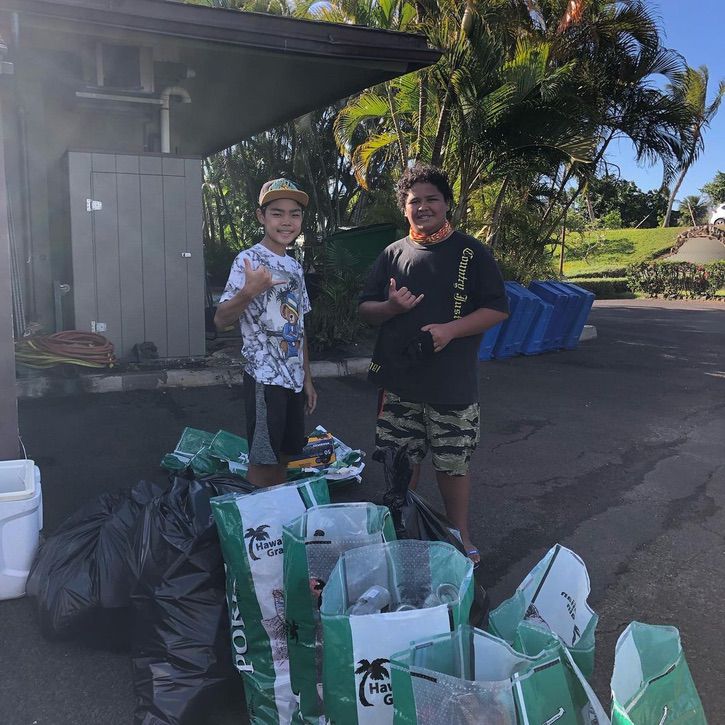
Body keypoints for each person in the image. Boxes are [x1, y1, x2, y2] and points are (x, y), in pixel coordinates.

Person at [359, 164, 509, 567]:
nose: (422, 207)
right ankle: (403, 529)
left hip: (452, 385)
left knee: (452, 464)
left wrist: (450, 330)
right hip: (400, 383)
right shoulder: (392, 253)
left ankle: (460, 535)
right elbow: (366, 310)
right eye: (414, 201)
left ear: (446, 205)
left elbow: (497, 308)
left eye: (431, 199)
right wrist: (389, 307)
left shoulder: (471, 252)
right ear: (404, 209)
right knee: (399, 463)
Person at [215, 178, 317, 487]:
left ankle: (277, 516)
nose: (286, 221)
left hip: (294, 379)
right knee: (262, 461)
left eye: (294, 214)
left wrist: (308, 380)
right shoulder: (248, 260)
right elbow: (221, 320)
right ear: (261, 216)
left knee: (285, 456)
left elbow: (299, 328)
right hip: (265, 379)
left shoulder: (296, 267)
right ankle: (255, 526)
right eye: (277, 212)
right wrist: (248, 292)